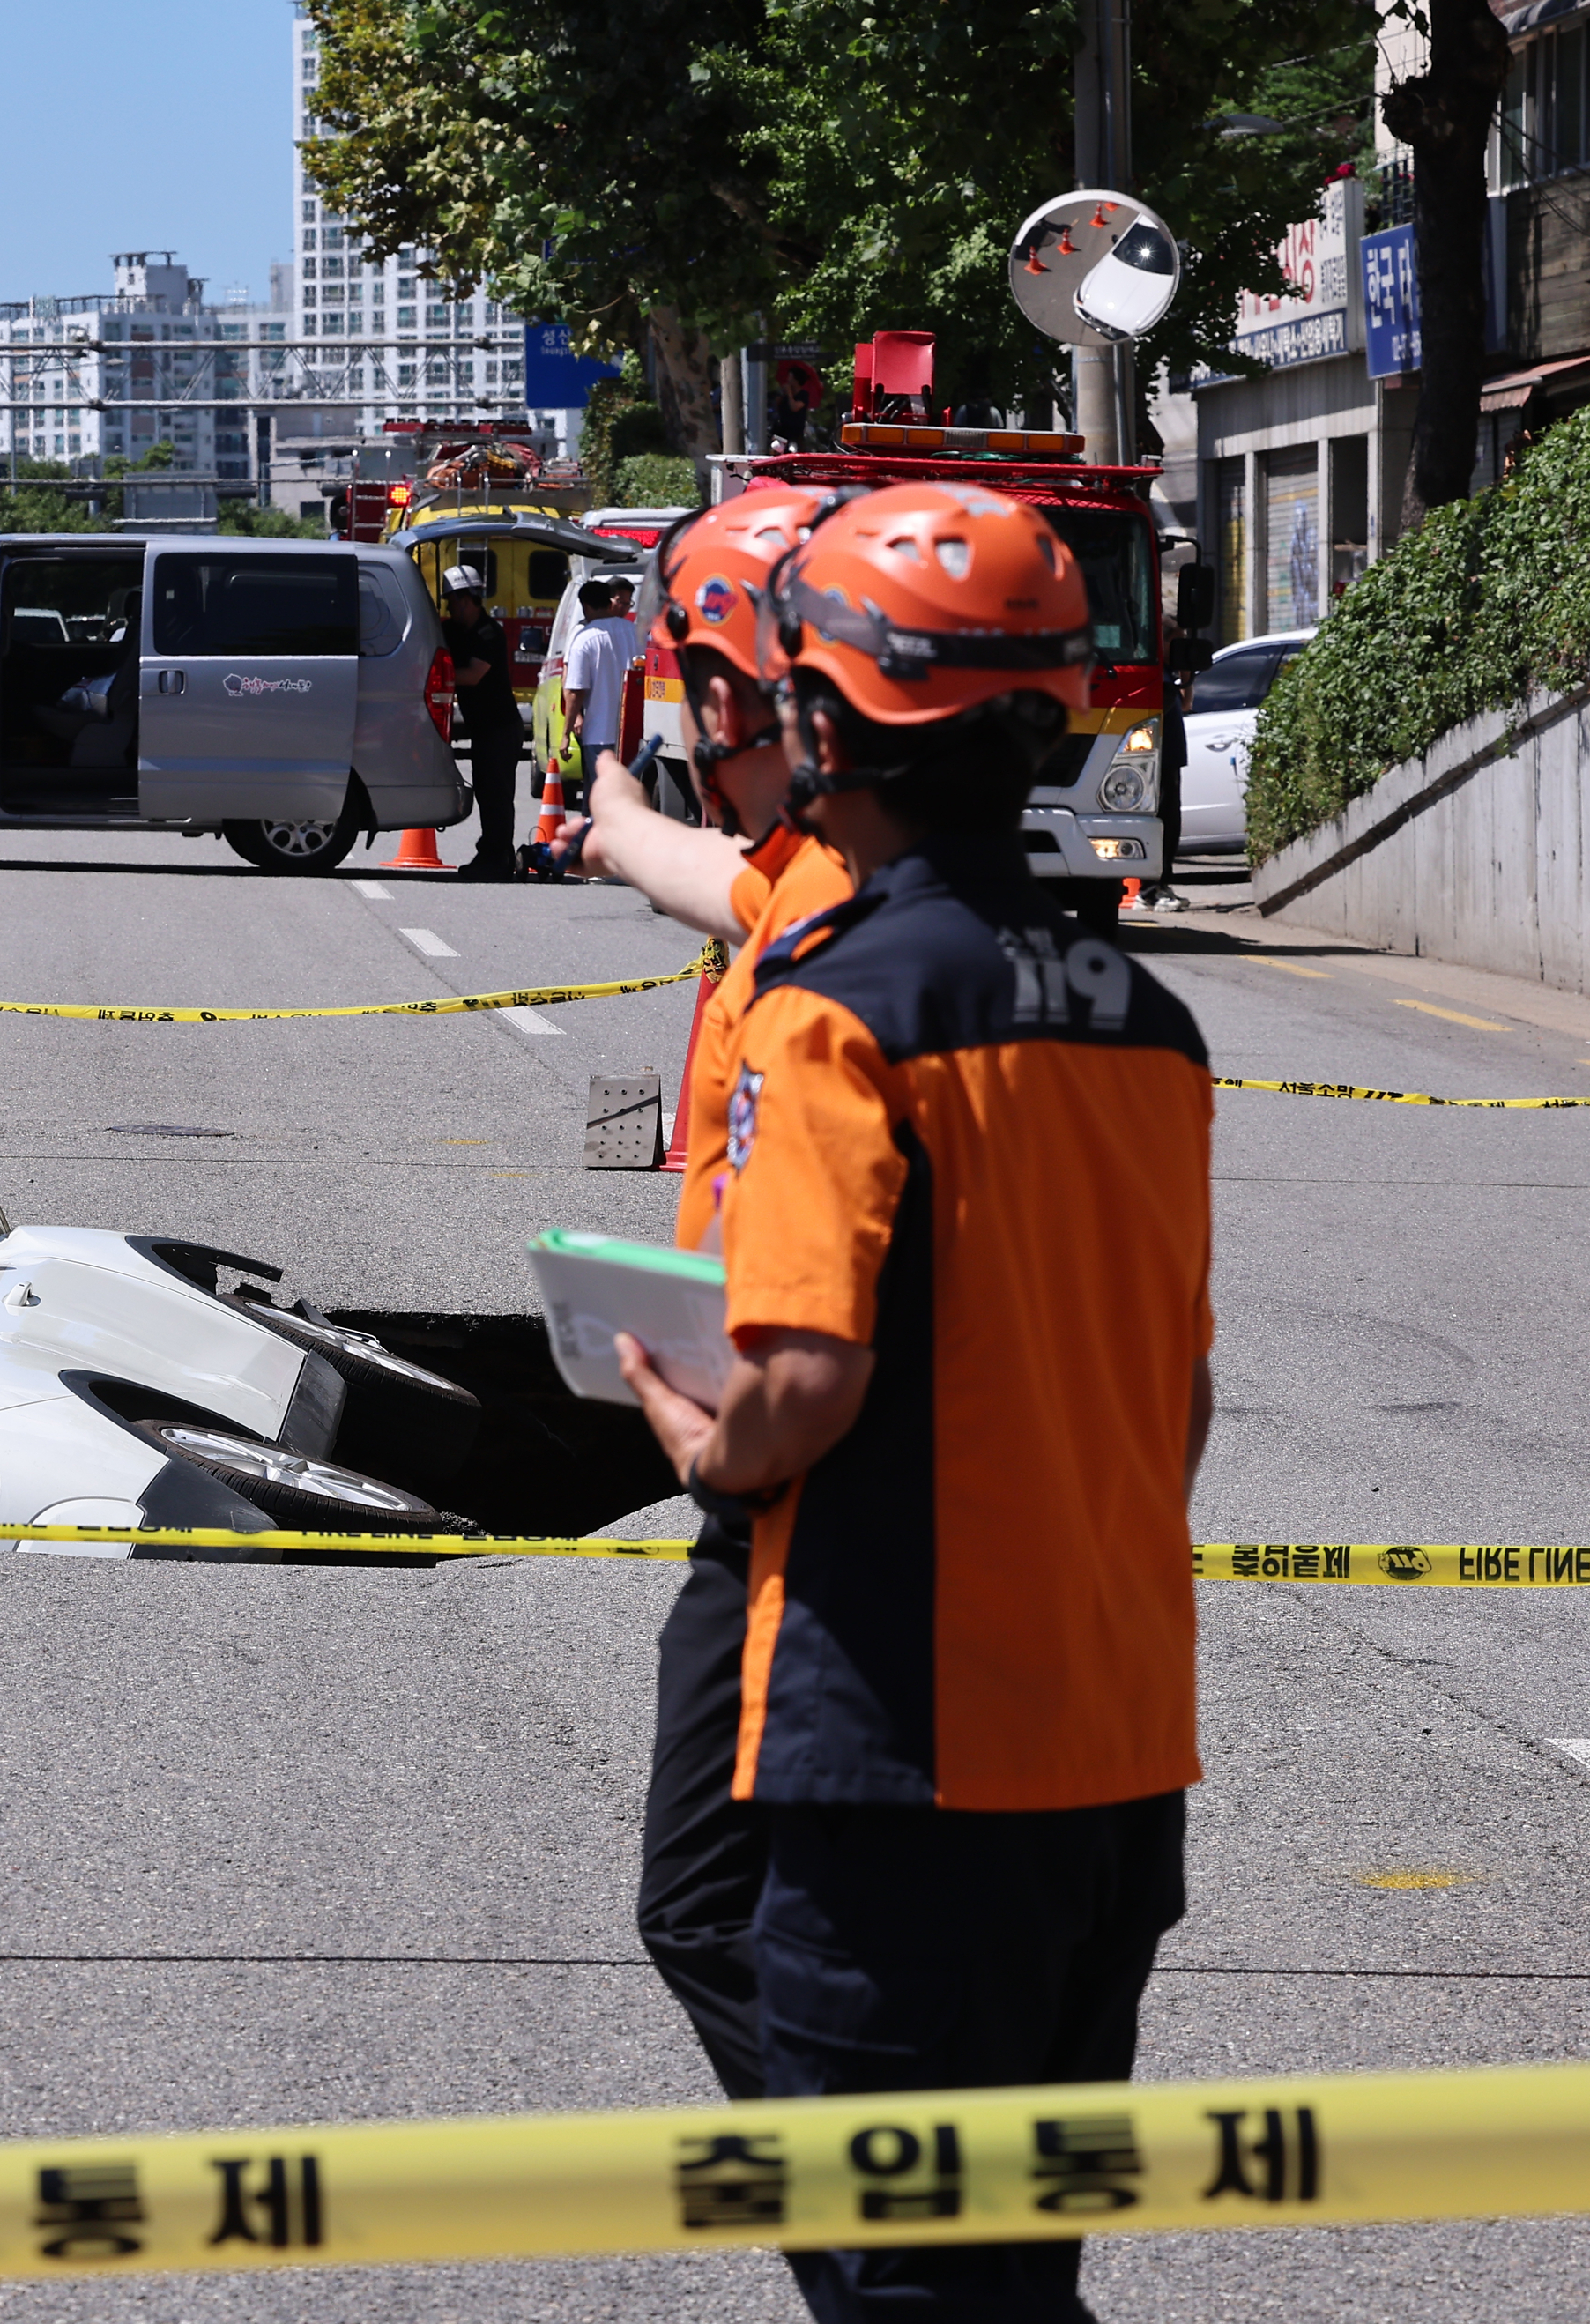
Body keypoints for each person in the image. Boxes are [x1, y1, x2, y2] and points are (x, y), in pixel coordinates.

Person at [616, 479, 1216, 2324]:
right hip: (1111, 1734)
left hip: (905, 1736)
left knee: (911, 2283)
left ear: (823, 716)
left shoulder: (836, 1005)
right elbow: (1178, 1393)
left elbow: (798, 1376)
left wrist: (696, 1435)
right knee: (1005, 2259)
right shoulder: (1140, 1012)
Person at [547, 481, 856, 2100]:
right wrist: (614, 818)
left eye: (705, 698)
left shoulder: (835, 950)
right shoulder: (853, 897)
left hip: (808, 1496)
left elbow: (819, 1363)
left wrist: (720, 1443)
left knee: (717, 1909)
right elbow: (707, 874)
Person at [436, 564, 525, 878]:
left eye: (452, 601)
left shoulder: (488, 632)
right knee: (489, 794)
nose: (449, 607)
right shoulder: (456, 631)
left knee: (496, 796)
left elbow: (473, 675)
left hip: (500, 727)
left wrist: (433, 677)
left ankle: (497, 858)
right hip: (484, 727)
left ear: (467, 599)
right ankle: (493, 853)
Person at [559, 573, 643, 799]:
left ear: (585, 606)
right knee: (629, 797)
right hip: (633, 731)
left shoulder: (584, 639)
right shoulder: (634, 633)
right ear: (609, 602)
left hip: (598, 733)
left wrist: (566, 733)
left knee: (603, 798)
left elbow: (576, 691)